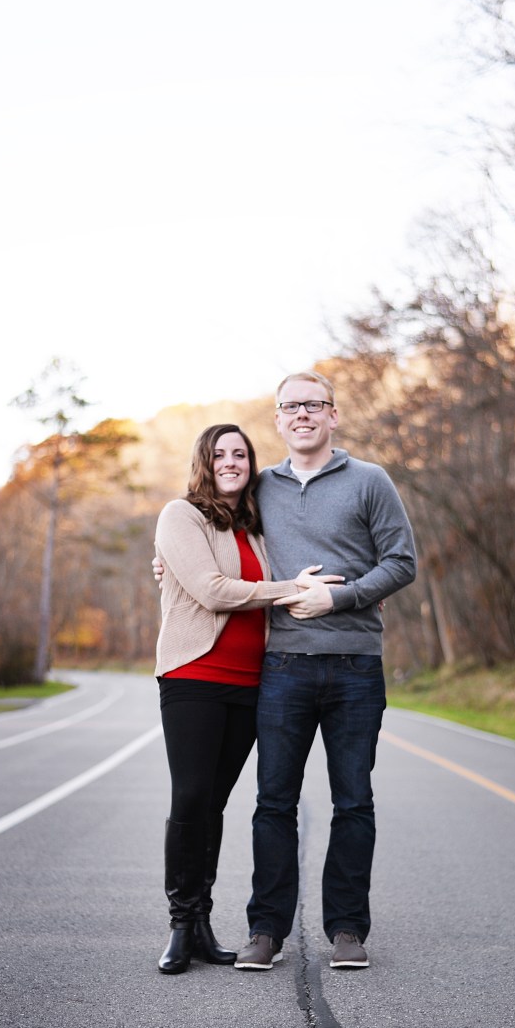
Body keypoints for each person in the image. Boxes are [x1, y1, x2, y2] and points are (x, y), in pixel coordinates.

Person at [156, 374, 417, 972]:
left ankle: (347, 929)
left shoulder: (370, 481)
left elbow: (401, 562)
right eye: (290, 406)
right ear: (277, 420)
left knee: (353, 800)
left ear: (332, 416)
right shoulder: (259, 489)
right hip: (281, 668)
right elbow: (209, 548)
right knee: (273, 802)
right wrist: (165, 563)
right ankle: (265, 929)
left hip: (355, 665)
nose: (302, 414)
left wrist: (342, 597)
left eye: (314, 405)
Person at [153, 422, 341, 975]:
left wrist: (348, 595)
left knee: (213, 804)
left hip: (249, 682)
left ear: (251, 463)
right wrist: (288, 590)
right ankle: (180, 925)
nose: (231, 461)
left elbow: (312, 562)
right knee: (189, 798)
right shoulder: (181, 515)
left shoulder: (257, 528)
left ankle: (205, 926)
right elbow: (211, 591)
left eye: (240, 453)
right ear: (204, 463)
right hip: (193, 674)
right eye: (220, 454)